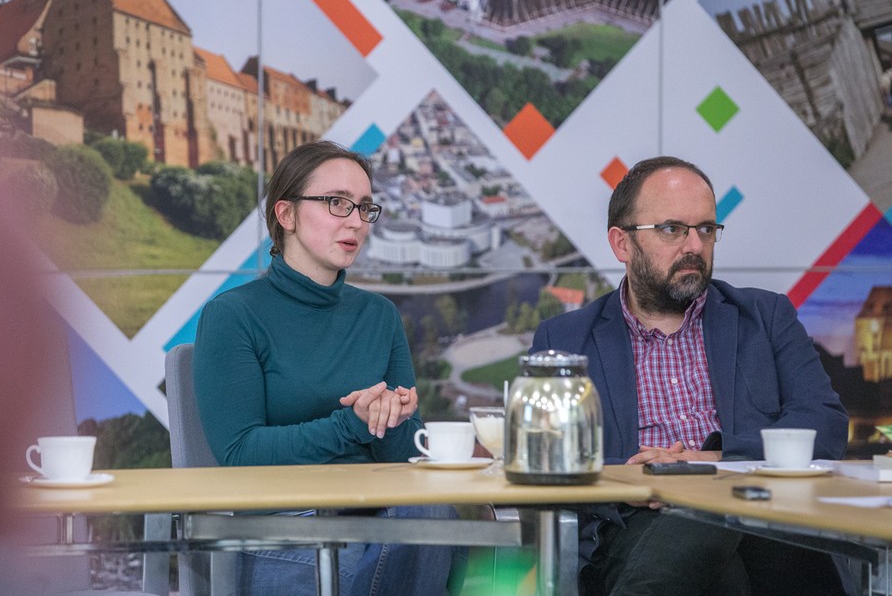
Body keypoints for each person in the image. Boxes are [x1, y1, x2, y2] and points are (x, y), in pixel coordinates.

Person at [531, 156, 850, 596]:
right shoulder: (567, 337)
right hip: (639, 526)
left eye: (706, 229)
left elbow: (825, 424)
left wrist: (708, 464)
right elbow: (544, 462)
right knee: (715, 551)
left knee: (736, 538)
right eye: (672, 229)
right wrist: (630, 483)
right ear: (622, 244)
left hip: (763, 513)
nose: (695, 246)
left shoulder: (764, 316)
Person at [193, 140, 463, 596]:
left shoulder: (379, 316)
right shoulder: (233, 315)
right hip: (284, 531)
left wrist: (393, 417)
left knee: (436, 516)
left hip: (380, 523)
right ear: (287, 215)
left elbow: (405, 458)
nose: (356, 221)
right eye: (337, 203)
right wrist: (351, 424)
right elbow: (239, 453)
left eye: (364, 207)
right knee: (414, 541)